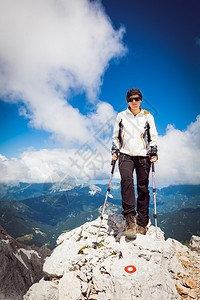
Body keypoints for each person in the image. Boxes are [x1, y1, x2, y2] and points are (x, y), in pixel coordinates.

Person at [111, 88, 158, 240]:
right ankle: (130, 218)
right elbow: (116, 136)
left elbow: (153, 137)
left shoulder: (147, 116)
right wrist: (115, 150)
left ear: (141, 99)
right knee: (126, 181)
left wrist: (154, 152)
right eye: (131, 99)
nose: (134, 101)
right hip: (125, 154)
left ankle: (142, 223)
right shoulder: (121, 116)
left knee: (143, 187)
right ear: (127, 101)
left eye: (137, 98)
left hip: (144, 156)